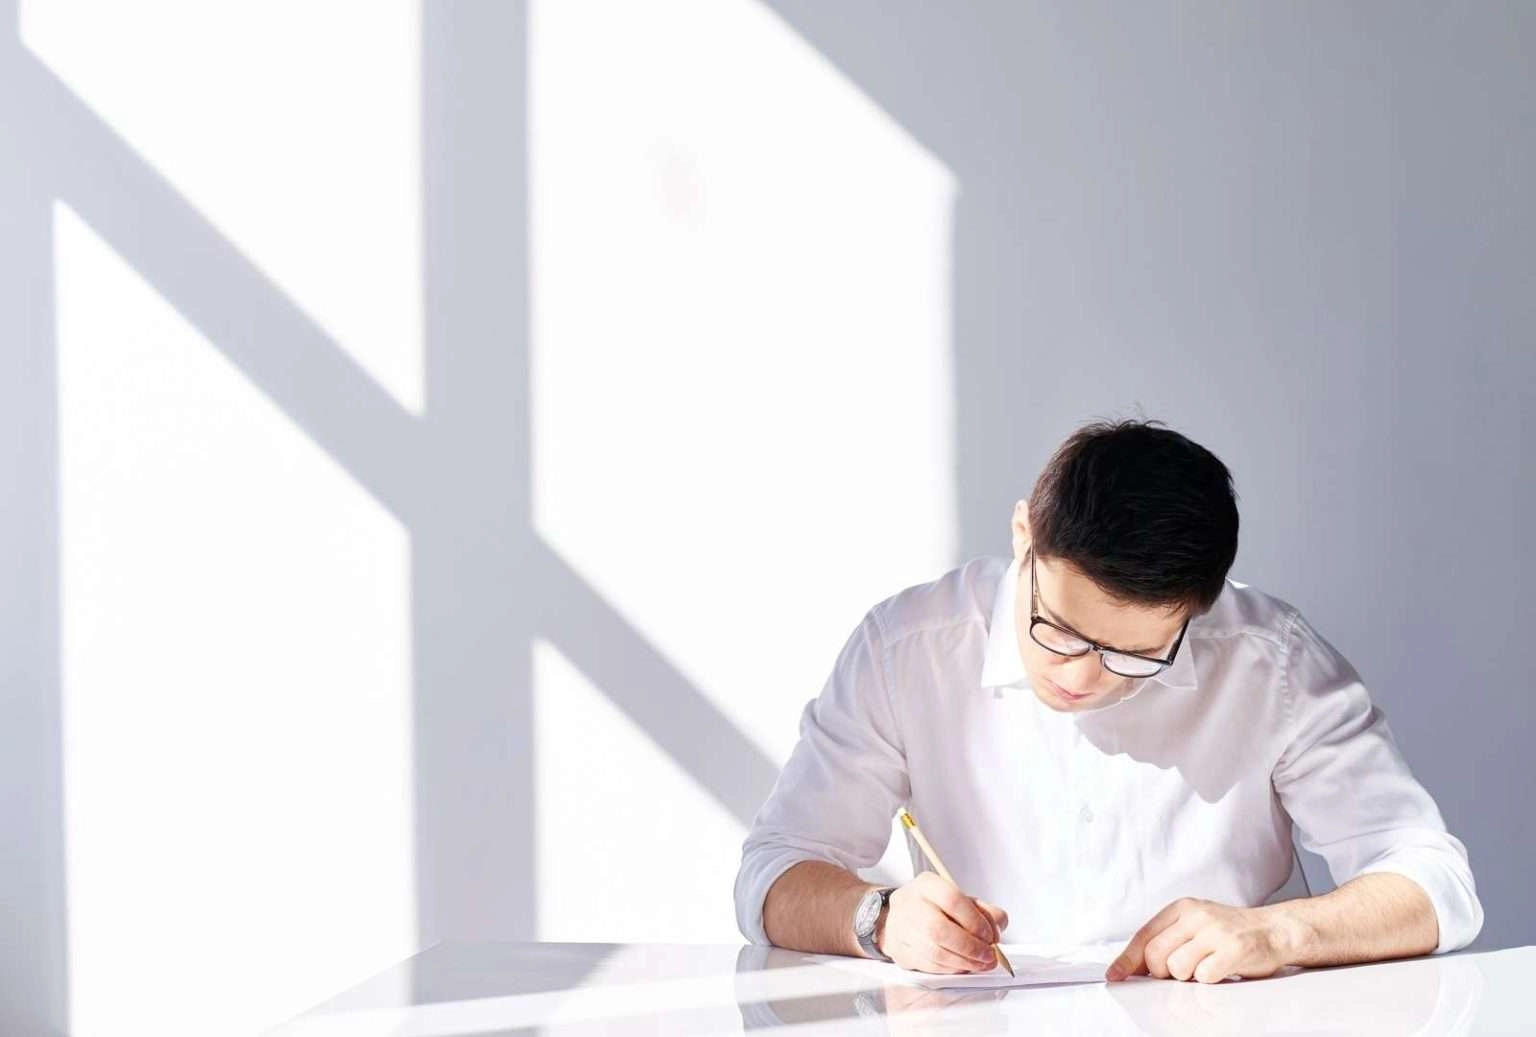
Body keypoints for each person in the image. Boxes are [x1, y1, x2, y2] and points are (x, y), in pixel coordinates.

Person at [733, 419, 1482, 983]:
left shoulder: (1273, 660)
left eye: (1135, 654)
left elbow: (1437, 882)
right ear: (1024, 537)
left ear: (1197, 610)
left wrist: (1281, 932)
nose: (1086, 676)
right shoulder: (906, 648)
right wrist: (878, 917)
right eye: (1058, 629)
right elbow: (773, 872)